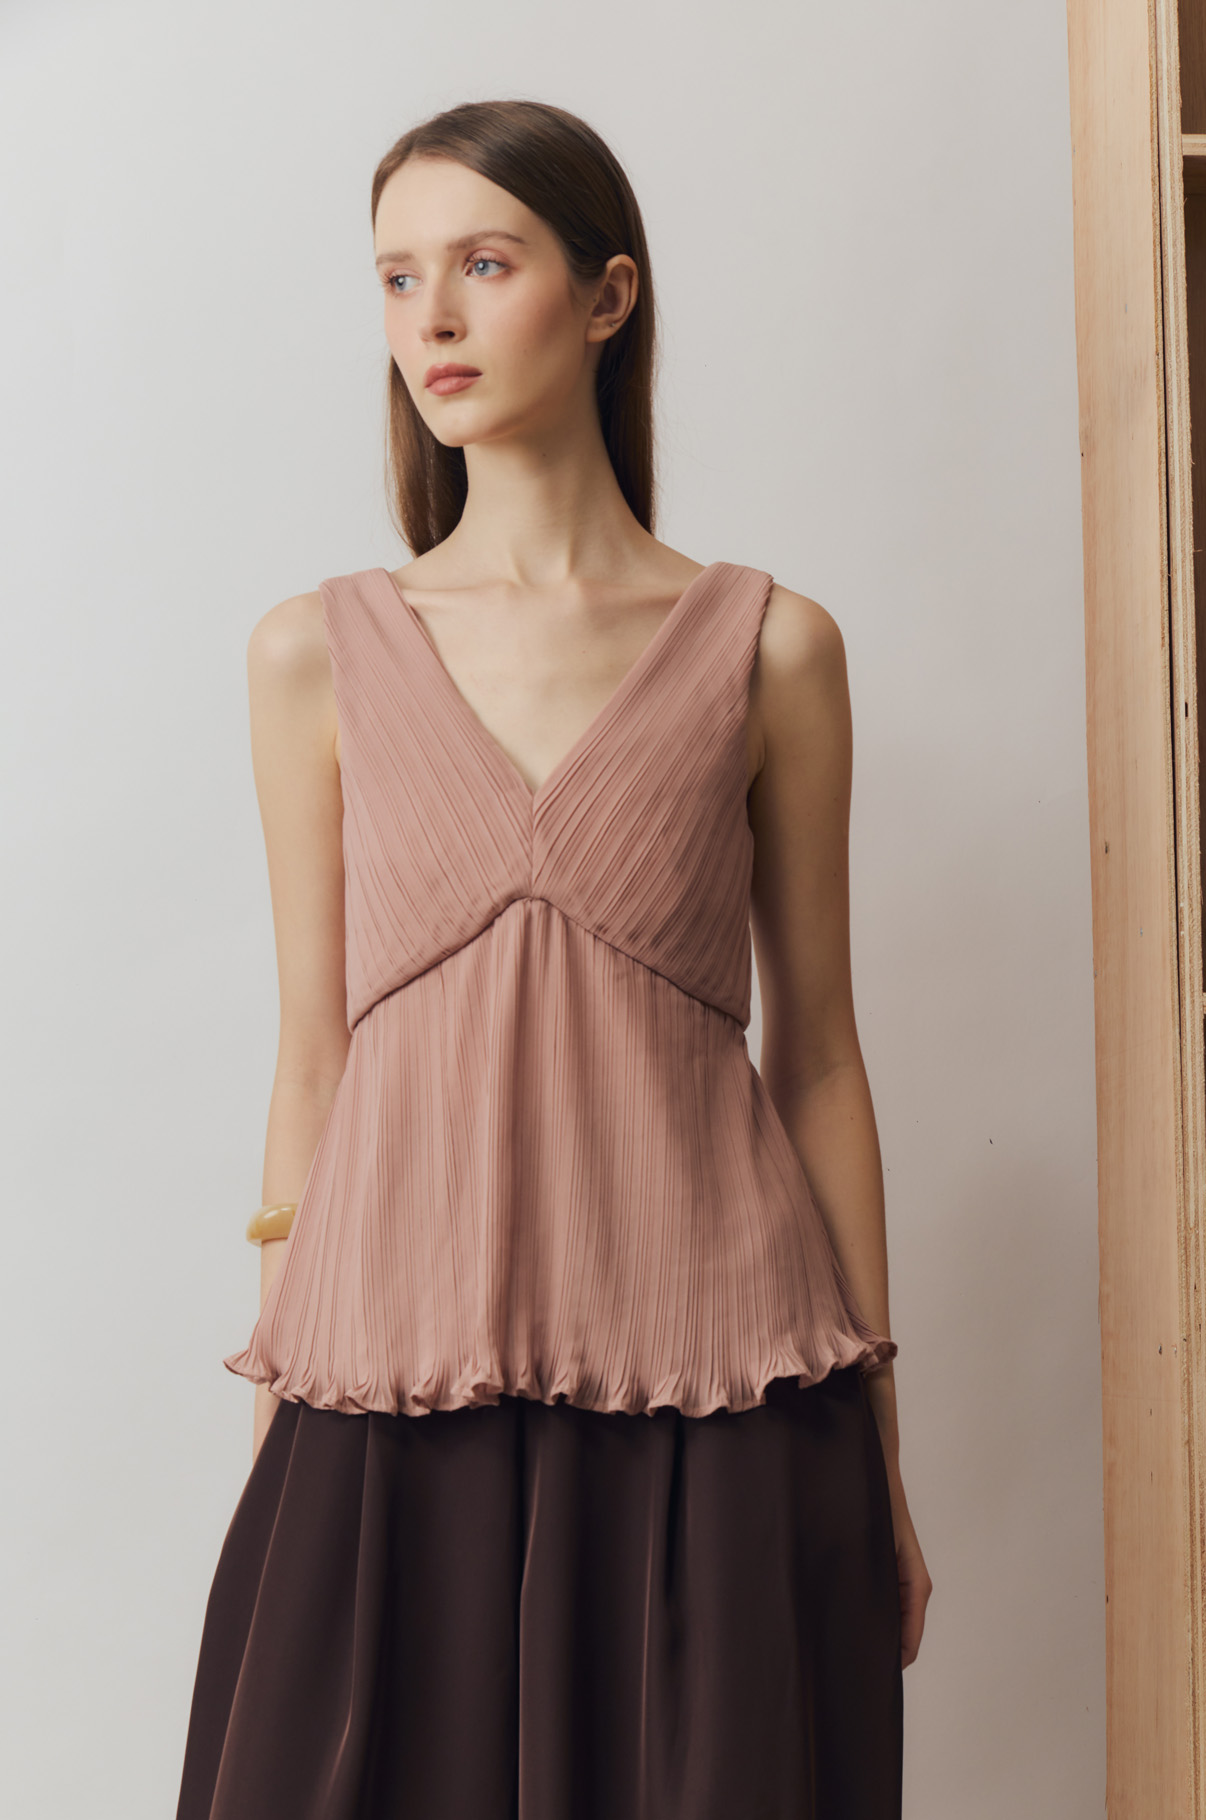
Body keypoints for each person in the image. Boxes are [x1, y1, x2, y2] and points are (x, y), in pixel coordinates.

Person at [175, 96, 930, 1820]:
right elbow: (315, 1054)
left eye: (482, 264)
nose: (430, 318)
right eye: (395, 278)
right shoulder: (313, 654)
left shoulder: (771, 649)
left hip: (718, 1400)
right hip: (396, 1382)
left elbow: (817, 1054)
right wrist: (283, 1395)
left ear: (606, 296)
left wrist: (884, 1450)